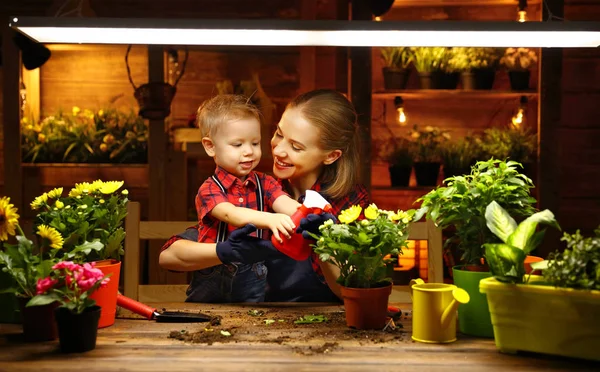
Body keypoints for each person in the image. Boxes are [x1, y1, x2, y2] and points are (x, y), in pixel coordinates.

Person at [159, 89, 370, 302]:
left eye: (296, 147)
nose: (278, 151)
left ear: (331, 156)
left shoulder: (351, 205)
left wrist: (325, 240)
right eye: (279, 134)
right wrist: (225, 251)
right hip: (263, 321)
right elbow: (171, 255)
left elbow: (352, 292)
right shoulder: (259, 190)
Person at [188, 94, 300, 303]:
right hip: (212, 270)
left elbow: (283, 202)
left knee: (251, 318)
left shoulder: (265, 183)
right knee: (201, 316)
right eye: (237, 145)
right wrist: (269, 219)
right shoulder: (209, 188)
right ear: (210, 146)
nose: (249, 151)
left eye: (255, 143)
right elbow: (231, 214)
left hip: (253, 270)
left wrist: (307, 213)